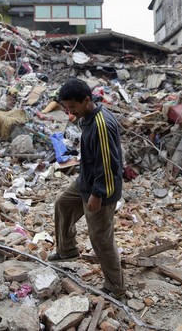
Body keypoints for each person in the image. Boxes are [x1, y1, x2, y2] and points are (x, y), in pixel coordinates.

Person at [48, 77, 126, 299]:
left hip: (101, 189)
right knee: (63, 204)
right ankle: (67, 250)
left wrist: (98, 195)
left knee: (101, 239)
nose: (69, 111)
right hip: (86, 180)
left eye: (73, 106)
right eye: (66, 107)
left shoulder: (101, 124)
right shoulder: (87, 116)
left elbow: (109, 163)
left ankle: (116, 287)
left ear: (86, 101)